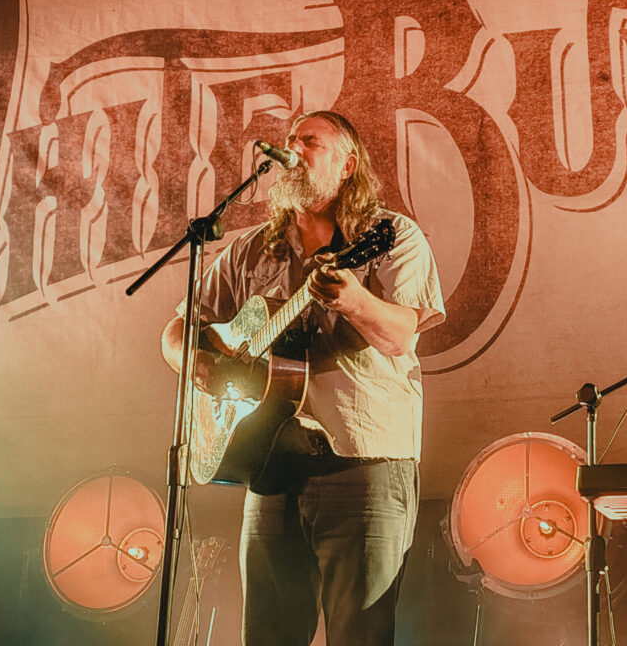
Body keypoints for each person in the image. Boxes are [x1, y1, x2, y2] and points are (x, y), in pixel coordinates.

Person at [161, 110, 444, 646]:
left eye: (309, 141)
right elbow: (176, 331)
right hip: (269, 467)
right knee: (266, 636)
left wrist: (354, 298)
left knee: (359, 636)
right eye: (290, 140)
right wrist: (201, 366)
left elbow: (402, 335)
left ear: (347, 166)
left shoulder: (390, 235)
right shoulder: (249, 249)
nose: (292, 147)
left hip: (362, 464)